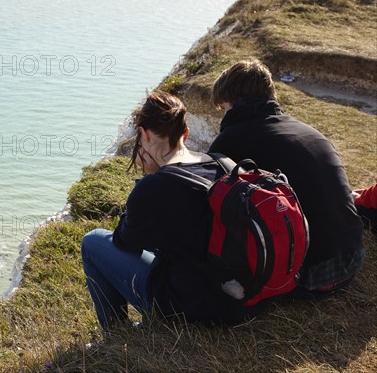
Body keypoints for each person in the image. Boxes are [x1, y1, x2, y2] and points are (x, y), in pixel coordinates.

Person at [81, 91, 262, 331]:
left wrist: (149, 179)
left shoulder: (154, 187)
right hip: (239, 298)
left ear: (144, 135)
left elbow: (124, 242)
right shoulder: (222, 162)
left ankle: (114, 332)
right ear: (185, 134)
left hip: (191, 308)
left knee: (92, 242)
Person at [208, 59, 365, 298]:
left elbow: (212, 199)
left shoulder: (231, 140)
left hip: (312, 274)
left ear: (233, 101)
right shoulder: (306, 130)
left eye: (224, 107)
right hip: (352, 257)